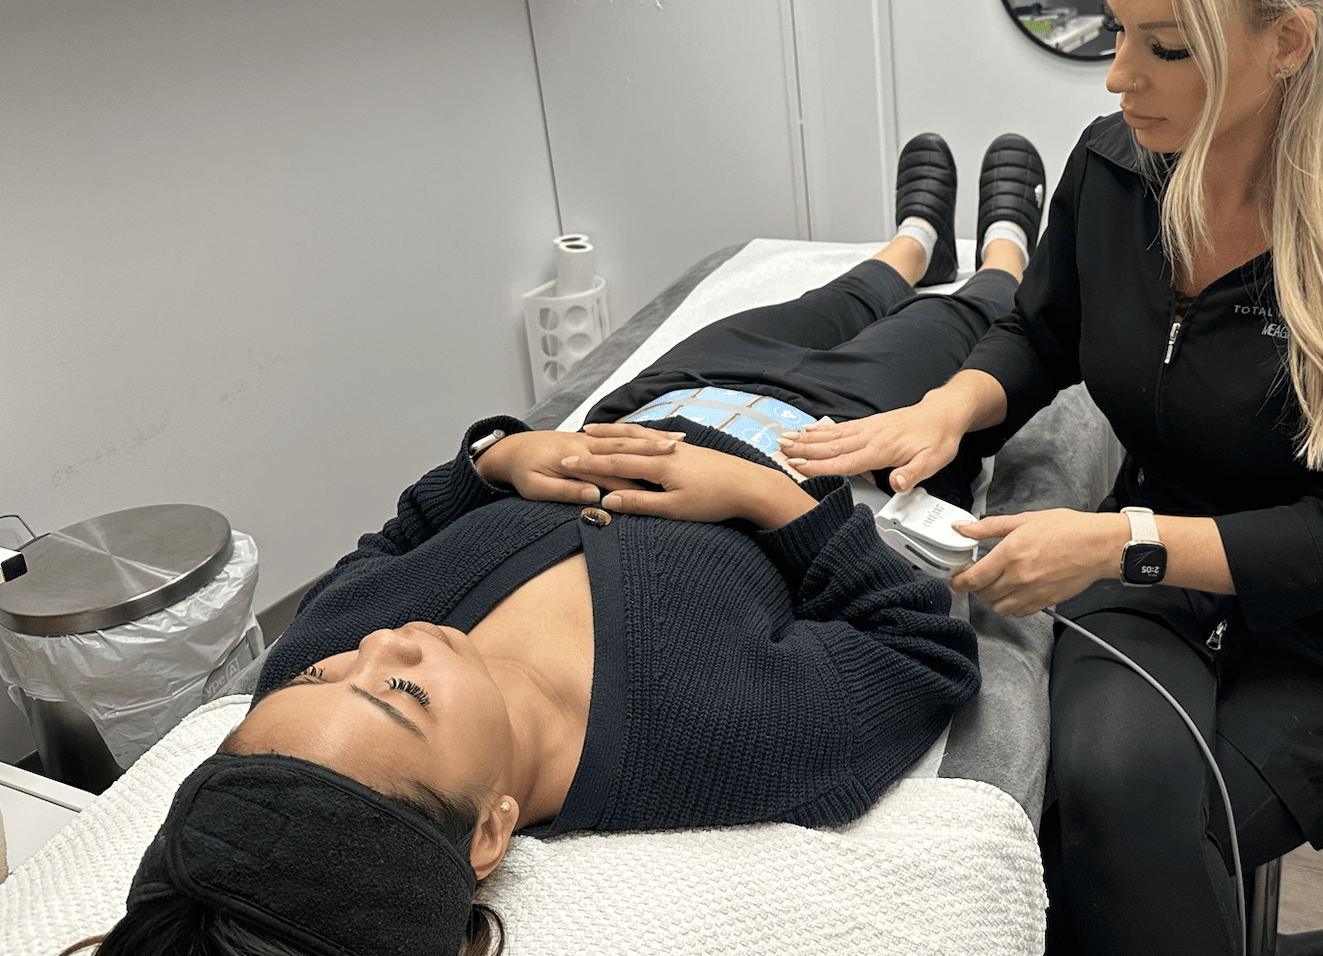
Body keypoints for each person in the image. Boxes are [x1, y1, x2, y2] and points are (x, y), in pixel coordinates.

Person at [67, 134, 1048, 956]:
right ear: (490, 826)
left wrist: (495, 463)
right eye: (402, 694)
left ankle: (912, 235)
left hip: (662, 395)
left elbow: (400, 534)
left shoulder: (319, 664)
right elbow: (915, 651)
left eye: (323, 673)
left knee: (840, 297)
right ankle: (1004, 246)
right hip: (838, 433)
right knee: (965, 315)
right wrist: (766, 496)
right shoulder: (705, 738)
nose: (382, 644)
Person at [782, 0, 1323, 954]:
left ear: (1287, 43)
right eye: (1113, 30)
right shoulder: (1114, 170)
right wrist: (950, 405)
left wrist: (1111, 547)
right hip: (1164, 589)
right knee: (1081, 802)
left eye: (1162, 47)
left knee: (1125, 842)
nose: (1115, 77)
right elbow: (1041, 331)